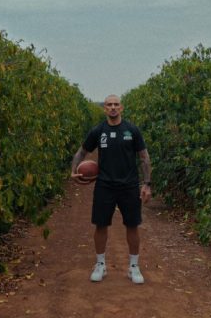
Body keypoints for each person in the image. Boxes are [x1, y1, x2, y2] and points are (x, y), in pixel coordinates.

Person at [70, 94, 152, 284]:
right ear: (105, 109)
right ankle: (100, 265)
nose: (113, 107)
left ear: (121, 108)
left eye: (116, 104)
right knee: (101, 225)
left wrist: (147, 184)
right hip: (105, 185)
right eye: (109, 105)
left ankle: (133, 267)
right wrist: (73, 170)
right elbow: (82, 152)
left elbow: (144, 157)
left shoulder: (132, 130)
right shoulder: (98, 131)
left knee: (132, 225)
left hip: (129, 185)